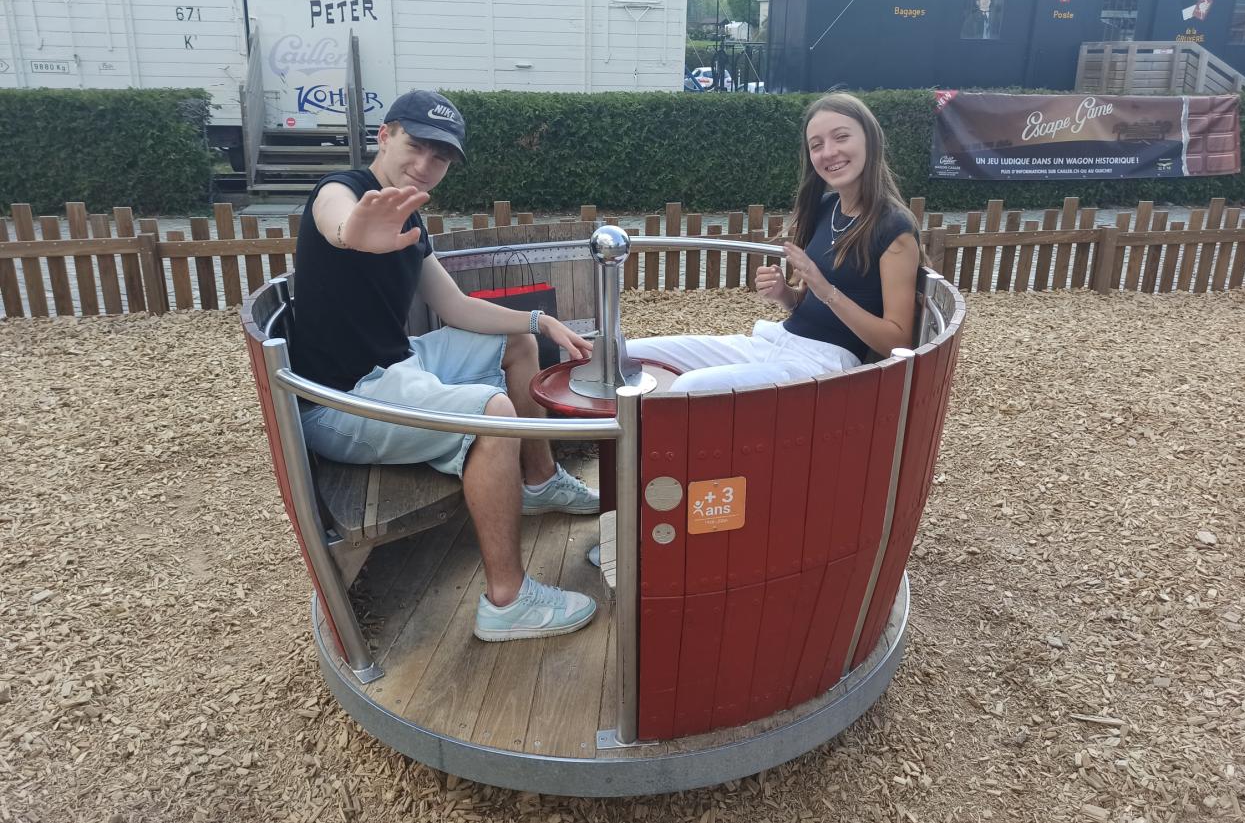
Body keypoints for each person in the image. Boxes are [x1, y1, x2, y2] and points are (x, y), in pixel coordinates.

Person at [289, 89, 600, 643]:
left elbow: (454, 306)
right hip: (343, 400)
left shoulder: (409, 217)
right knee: (492, 416)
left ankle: (539, 480)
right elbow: (336, 219)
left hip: (398, 362)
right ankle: (507, 602)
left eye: (440, 157)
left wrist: (539, 321)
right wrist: (353, 234)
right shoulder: (344, 191)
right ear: (384, 136)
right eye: (416, 146)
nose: (425, 164)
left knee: (516, 344)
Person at [627, 92, 921, 393]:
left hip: (825, 364)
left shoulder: (894, 228)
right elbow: (808, 303)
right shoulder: (825, 208)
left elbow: (897, 342)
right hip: (776, 341)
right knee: (628, 352)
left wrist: (825, 289)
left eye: (841, 137)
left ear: (870, 140)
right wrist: (786, 294)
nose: (829, 152)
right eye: (816, 145)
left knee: (691, 387)